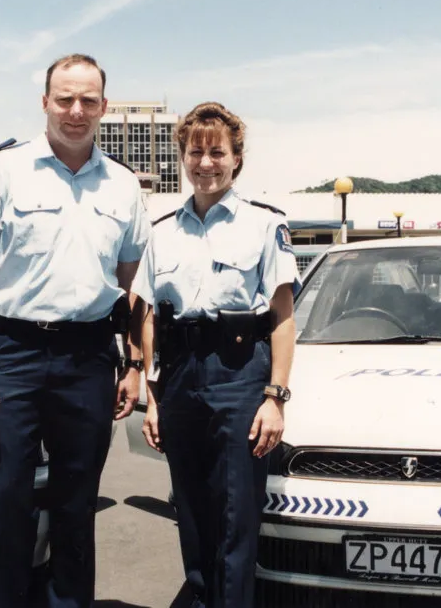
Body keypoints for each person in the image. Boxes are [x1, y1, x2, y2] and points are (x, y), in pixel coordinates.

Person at [0, 53, 151, 608]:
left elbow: (135, 284)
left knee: (76, 501)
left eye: (88, 100)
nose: (76, 110)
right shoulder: (7, 170)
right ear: (45, 102)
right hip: (13, 350)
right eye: (65, 98)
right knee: (8, 495)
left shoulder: (123, 185)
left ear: (104, 108)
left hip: (89, 355)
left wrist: (135, 365)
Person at [133, 102, 297, 608]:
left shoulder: (264, 226)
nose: (206, 162)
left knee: (234, 516)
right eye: (195, 151)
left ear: (236, 160)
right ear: (183, 157)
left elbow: (283, 316)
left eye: (217, 152)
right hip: (180, 376)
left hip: (240, 374)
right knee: (191, 509)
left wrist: (275, 397)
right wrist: (154, 396)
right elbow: (147, 316)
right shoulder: (160, 231)